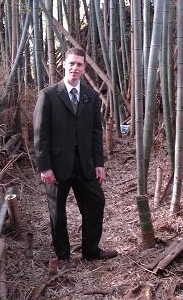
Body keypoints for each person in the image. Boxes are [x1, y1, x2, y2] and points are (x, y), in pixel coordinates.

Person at [33, 47, 117, 266]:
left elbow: (96, 133)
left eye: (79, 64)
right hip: (57, 165)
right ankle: (63, 256)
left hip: (85, 164)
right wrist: (45, 167)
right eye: (71, 63)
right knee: (57, 212)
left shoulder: (91, 96)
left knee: (96, 202)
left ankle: (91, 250)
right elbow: (40, 134)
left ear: (84, 68)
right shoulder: (49, 95)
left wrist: (99, 163)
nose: (75, 68)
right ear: (64, 64)